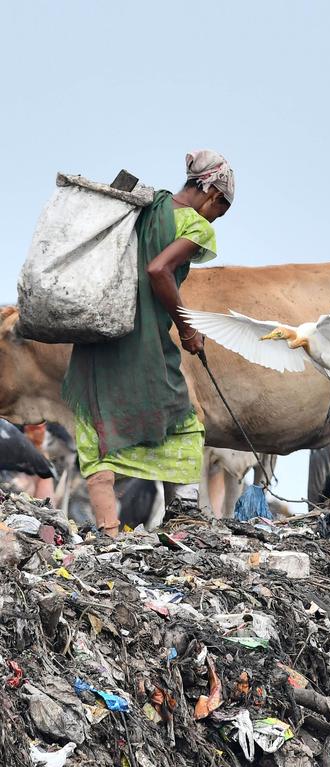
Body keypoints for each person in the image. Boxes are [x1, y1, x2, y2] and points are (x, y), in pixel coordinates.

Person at [62, 150, 234, 537]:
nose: (215, 218)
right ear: (212, 194)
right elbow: (158, 270)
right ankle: (185, 521)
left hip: (98, 335)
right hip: (143, 345)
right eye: (219, 210)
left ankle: (108, 533)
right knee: (182, 421)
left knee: (96, 425)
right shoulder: (193, 225)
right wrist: (187, 328)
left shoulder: (142, 208)